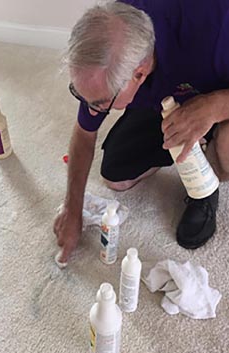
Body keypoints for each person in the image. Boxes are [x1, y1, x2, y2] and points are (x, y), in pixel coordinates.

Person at [54, 0, 229, 263]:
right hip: (166, 96)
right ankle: (186, 143)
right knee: (116, 176)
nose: (94, 108)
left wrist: (215, 107)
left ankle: (205, 184)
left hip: (219, 91)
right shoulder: (105, 46)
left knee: (227, 150)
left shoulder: (213, 29)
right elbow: (84, 134)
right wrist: (73, 209)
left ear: (139, 73)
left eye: (102, 102)